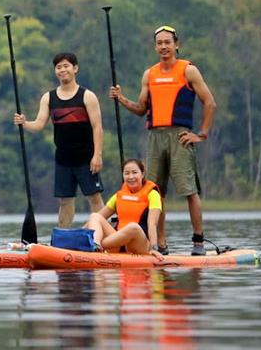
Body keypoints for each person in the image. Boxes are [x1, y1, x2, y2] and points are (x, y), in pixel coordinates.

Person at [109, 25, 216, 255]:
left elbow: (209, 102)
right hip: (155, 137)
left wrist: (201, 134)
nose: (164, 47)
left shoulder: (189, 70)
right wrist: (121, 98)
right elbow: (141, 109)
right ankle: (161, 244)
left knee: (189, 191)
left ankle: (198, 241)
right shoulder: (150, 74)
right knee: (155, 192)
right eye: (159, 43)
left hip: (180, 136)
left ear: (176, 44)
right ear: (155, 46)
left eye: (168, 42)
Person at [14, 52, 105, 228]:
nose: (62, 70)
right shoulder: (49, 98)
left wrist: (97, 154)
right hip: (63, 159)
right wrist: (24, 123)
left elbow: (97, 127)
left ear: (75, 69)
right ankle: (63, 237)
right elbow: (39, 124)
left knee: (94, 197)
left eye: (66, 66)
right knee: (65, 201)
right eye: (58, 67)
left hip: (87, 158)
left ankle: (101, 234)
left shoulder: (87, 96)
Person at [85, 158, 165, 260]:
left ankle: (93, 245)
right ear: (123, 175)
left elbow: (152, 224)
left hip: (139, 244)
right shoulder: (119, 195)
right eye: (127, 173)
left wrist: (154, 247)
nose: (131, 177)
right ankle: (95, 245)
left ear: (142, 174)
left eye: (134, 172)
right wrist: (78, 234)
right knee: (95, 216)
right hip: (117, 242)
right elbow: (96, 220)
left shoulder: (152, 194)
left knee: (133, 227)